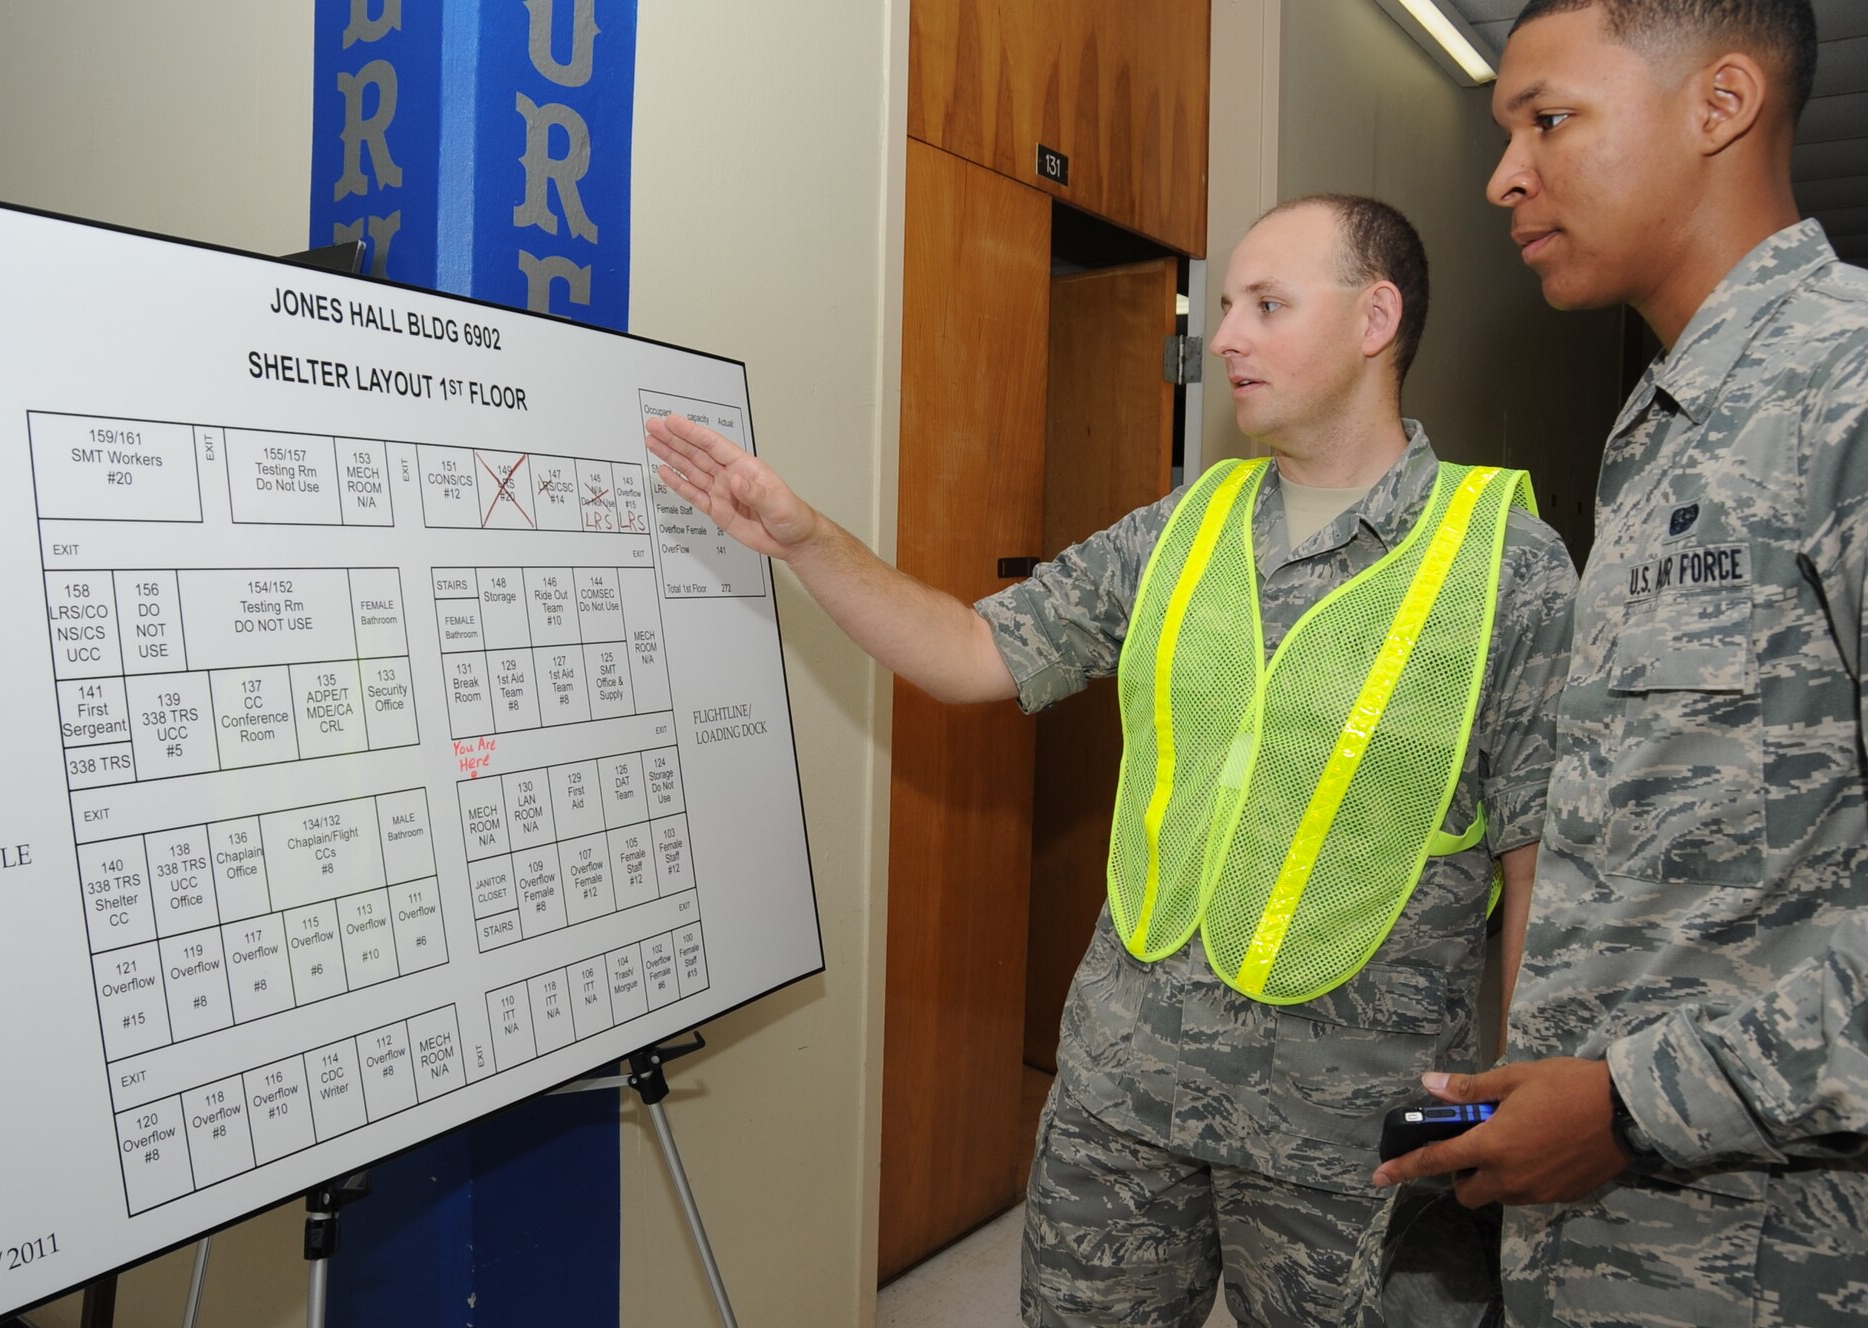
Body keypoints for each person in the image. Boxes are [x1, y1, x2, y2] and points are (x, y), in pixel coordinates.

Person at [648, 194, 1577, 1327]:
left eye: (1265, 305)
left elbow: (1540, 857)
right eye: (1225, 303)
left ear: (1374, 317)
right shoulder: (1179, 529)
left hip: (1350, 1141)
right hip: (1120, 1097)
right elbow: (968, 648)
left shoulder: (1506, 566)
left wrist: (1527, 1092)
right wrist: (802, 537)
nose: (1223, 334)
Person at [1370, 2, 1868, 1324]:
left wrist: (1638, 1105)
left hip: (1769, 1260)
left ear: (1719, 107)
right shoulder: (1667, 429)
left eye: (1549, 118)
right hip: (1607, 1245)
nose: (1502, 176)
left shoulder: (1847, 392)